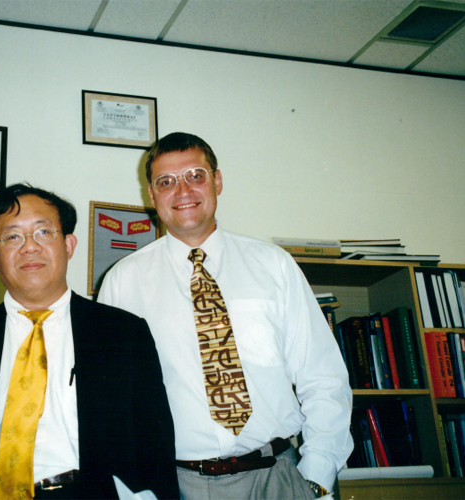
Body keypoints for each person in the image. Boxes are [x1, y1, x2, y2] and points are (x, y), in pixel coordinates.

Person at [98, 132, 353, 499]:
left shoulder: (274, 265)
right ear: (151, 195)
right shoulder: (123, 281)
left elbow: (323, 375)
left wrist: (316, 475)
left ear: (217, 181)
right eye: (166, 182)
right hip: (178, 484)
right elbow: (112, 402)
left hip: (278, 477)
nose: (183, 191)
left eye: (195, 176)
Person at [0, 183, 178, 500]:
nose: (29, 247)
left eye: (44, 232)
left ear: (69, 245)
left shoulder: (124, 335)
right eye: (12, 237)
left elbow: (156, 447)